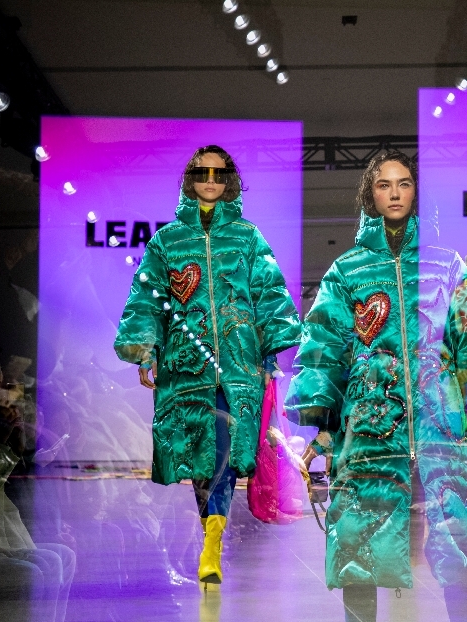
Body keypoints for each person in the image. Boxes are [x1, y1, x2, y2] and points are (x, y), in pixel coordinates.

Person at [286, 151, 467, 622]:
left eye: (403, 183)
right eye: (384, 184)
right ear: (370, 194)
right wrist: (325, 424)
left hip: (439, 421)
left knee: (458, 537)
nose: (394, 193)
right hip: (370, 425)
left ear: (415, 191)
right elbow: (325, 347)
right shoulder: (347, 271)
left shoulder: (445, 265)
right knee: (359, 539)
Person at [113, 145, 301, 587]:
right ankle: (209, 528)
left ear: (230, 179)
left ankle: (212, 542)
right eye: (202, 172)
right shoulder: (167, 242)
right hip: (186, 364)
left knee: (224, 449)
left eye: (219, 173)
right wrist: (146, 348)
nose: (211, 180)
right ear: (190, 178)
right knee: (200, 454)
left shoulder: (248, 238)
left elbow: (269, 292)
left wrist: (270, 350)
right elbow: (148, 297)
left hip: (238, 362)